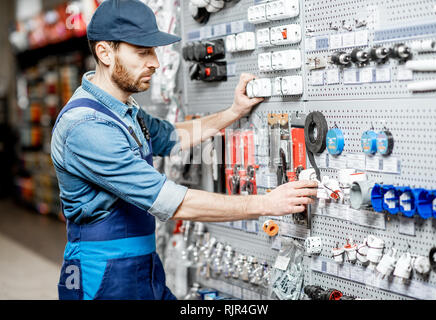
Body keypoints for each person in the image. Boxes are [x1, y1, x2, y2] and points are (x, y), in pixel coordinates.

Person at [51, 0, 317, 300]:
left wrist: (232, 112)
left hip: (141, 268)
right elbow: (172, 202)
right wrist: (266, 204)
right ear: (104, 53)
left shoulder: (123, 110)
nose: (155, 62)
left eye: (153, 51)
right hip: (101, 277)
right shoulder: (87, 127)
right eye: (142, 52)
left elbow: (172, 135)